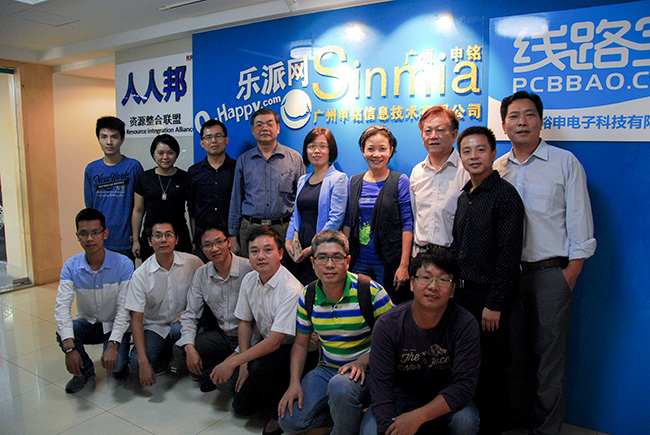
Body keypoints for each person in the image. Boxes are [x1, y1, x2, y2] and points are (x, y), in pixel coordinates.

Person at [494, 91, 596, 435]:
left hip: (550, 273)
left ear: (540, 120)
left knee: (549, 358)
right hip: (508, 277)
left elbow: (580, 221)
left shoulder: (564, 163)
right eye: (514, 116)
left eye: (529, 115)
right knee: (513, 355)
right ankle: (516, 422)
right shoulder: (497, 168)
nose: (522, 122)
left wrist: (571, 272)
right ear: (504, 125)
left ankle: (546, 430)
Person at [278, 230, 394, 435]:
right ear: (313, 262)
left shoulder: (371, 291)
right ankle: (349, 417)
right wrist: (294, 382)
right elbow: (301, 344)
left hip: (368, 370)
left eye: (337, 257)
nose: (329, 265)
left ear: (347, 261)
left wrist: (362, 362)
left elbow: (394, 342)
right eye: (322, 257)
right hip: (328, 369)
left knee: (341, 387)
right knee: (289, 420)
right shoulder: (308, 295)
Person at [452, 126, 525, 434]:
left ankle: (493, 427)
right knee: (467, 363)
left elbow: (509, 255)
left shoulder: (505, 196)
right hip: (462, 296)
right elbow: (458, 246)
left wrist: (494, 304)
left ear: (493, 153)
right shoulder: (464, 197)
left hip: (490, 299)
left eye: (480, 150)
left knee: (492, 366)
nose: (474, 156)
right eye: (466, 151)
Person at [360, 251, 481, 435]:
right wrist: (388, 429)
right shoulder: (388, 325)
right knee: (372, 430)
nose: (433, 286)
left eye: (443, 280)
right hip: (398, 394)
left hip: (444, 395)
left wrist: (418, 416)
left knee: (465, 421)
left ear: (452, 290)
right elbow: (381, 389)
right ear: (411, 283)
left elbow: (463, 386)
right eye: (426, 278)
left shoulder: (465, 324)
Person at [209, 226, 303, 435]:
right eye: (254, 251)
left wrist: (234, 361)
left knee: (258, 367)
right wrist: (243, 364)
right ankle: (269, 392)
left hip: (292, 351)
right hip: (265, 347)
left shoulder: (291, 289)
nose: (260, 256)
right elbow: (244, 321)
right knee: (241, 407)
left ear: (280, 253)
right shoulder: (250, 279)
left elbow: (275, 342)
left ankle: (276, 416)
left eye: (268, 250)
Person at [54, 208, 133, 393]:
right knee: (65, 332)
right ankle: (85, 371)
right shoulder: (71, 267)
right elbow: (62, 307)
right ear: (77, 236)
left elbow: (124, 309)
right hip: (89, 323)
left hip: (115, 326)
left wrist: (113, 344)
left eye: (95, 232)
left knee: (118, 368)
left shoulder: (123, 264)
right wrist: (69, 348)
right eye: (84, 234)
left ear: (105, 234)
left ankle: (116, 351)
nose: (89, 239)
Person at [173, 220, 253, 392]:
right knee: (182, 348)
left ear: (228, 242)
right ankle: (215, 372)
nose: (214, 249)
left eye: (219, 242)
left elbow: (259, 327)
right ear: (202, 249)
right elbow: (190, 315)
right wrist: (189, 348)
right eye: (208, 245)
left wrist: (235, 357)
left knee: (226, 386)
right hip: (223, 337)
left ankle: (224, 373)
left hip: (249, 339)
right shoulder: (201, 274)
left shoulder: (249, 270)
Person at [123, 220, 203, 387]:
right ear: (149, 241)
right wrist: (143, 362)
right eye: (158, 236)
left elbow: (207, 293)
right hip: (156, 326)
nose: (164, 240)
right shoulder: (141, 274)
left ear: (176, 239)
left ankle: (182, 357)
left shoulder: (193, 262)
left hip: (183, 323)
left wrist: (188, 311)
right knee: (136, 364)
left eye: (169, 235)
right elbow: (136, 319)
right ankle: (167, 353)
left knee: (177, 330)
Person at [345, 125, 413, 304]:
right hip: (359, 261)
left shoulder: (400, 181)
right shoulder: (354, 181)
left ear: (391, 150)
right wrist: (345, 257)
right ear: (363, 150)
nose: (377, 154)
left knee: (389, 308)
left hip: (389, 263)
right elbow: (348, 222)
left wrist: (404, 265)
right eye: (371, 149)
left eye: (382, 149)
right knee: (360, 307)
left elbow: (407, 224)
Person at [228, 108, 305, 257]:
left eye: (269, 124)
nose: (264, 128)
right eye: (259, 125)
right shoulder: (244, 161)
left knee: (284, 271)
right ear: (252, 130)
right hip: (250, 229)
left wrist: (297, 232)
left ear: (278, 128)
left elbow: (301, 201)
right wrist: (233, 237)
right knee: (250, 270)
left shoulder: (294, 159)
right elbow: (236, 200)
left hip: (284, 230)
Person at [285, 127, 348, 284]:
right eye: (312, 146)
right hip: (299, 248)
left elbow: (336, 218)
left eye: (322, 146)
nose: (316, 151)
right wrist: (288, 240)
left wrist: (314, 247)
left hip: (323, 248)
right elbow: (295, 215)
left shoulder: (339, 179)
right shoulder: (303, 180)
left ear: (330, 150)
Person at [409, 106, 469, 255]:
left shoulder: (467, 170)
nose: (433, 136)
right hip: (421, 255)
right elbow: (413, 216)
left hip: (453, 256)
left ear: (454, 135)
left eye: (440, 130)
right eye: (428, 131)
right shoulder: (417, 172)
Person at [84, 116, 143, 260]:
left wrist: (136, 239)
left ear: (122, 139)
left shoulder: (133, 167)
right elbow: (90, 207)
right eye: (104, 137)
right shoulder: (91, 169)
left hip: (125, 240)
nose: (109, 142)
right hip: (99, 241)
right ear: (98, 139)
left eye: (114, 137)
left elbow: (139, 207)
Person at [132, 134, 192, 261]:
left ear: (176, 154)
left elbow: (192, 211)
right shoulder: (144, 178)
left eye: (170, 153)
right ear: (153, 154)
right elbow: (138, 210)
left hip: (179, 237)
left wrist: (194, 239)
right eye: (160, 153)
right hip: (151, 238)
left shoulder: (185, 177)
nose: (165, 157)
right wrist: (136, 240)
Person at [187, 119, 237, 262]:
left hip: (230, 237)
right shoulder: (194, 172)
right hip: (204, 239)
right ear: (202, 143)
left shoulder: (237, 168)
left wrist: (235, 237)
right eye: (208, 137)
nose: (214, 141)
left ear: (226, 140)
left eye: (218, 136)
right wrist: (194, 239)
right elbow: (192, 209)